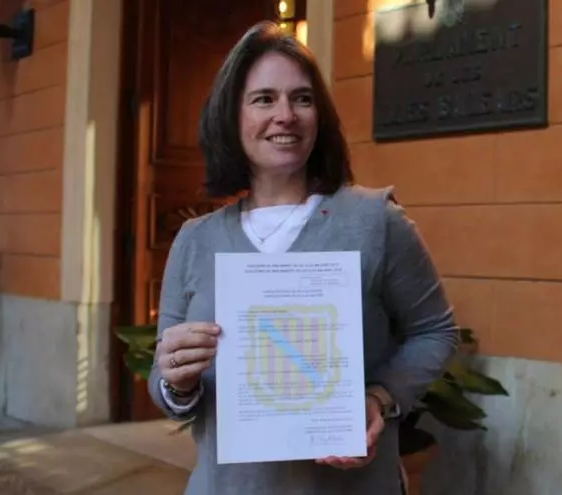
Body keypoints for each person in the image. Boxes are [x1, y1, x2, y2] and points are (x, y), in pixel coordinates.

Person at [148, 21, 460, 495]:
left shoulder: (374, 221)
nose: (285, 115)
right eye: (263, 99)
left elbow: (435, 330)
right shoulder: (195, 240)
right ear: (231, 116)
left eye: (302, 99)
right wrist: (176, 382)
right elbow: (164, 383)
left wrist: (380, 397)